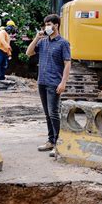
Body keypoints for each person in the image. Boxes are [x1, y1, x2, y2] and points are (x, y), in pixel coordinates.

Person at [26, 14, 71, 157]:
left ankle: (58, 143)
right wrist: (36, 38)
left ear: (56, 25)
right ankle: (51, 140)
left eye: (49, 24)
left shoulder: (63, 43)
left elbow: (67, 63)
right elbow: (29, 53)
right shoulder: (43, 42)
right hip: (42, 82)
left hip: (54, 83)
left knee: (53, 113)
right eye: (45, 24)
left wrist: (63, 82)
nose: (46, 27)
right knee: (47, 113)